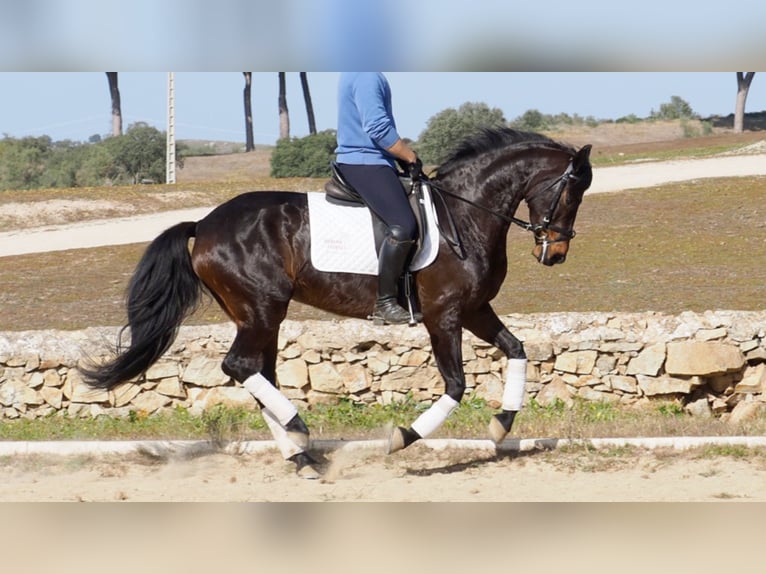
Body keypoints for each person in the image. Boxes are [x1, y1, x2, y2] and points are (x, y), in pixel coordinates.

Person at [334, 72, 422, 325]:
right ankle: (385, 302)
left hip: (375, 161)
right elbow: (377, 126)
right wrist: (409, 156)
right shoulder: (366, 75)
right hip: (364, 161)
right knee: (403, 227)